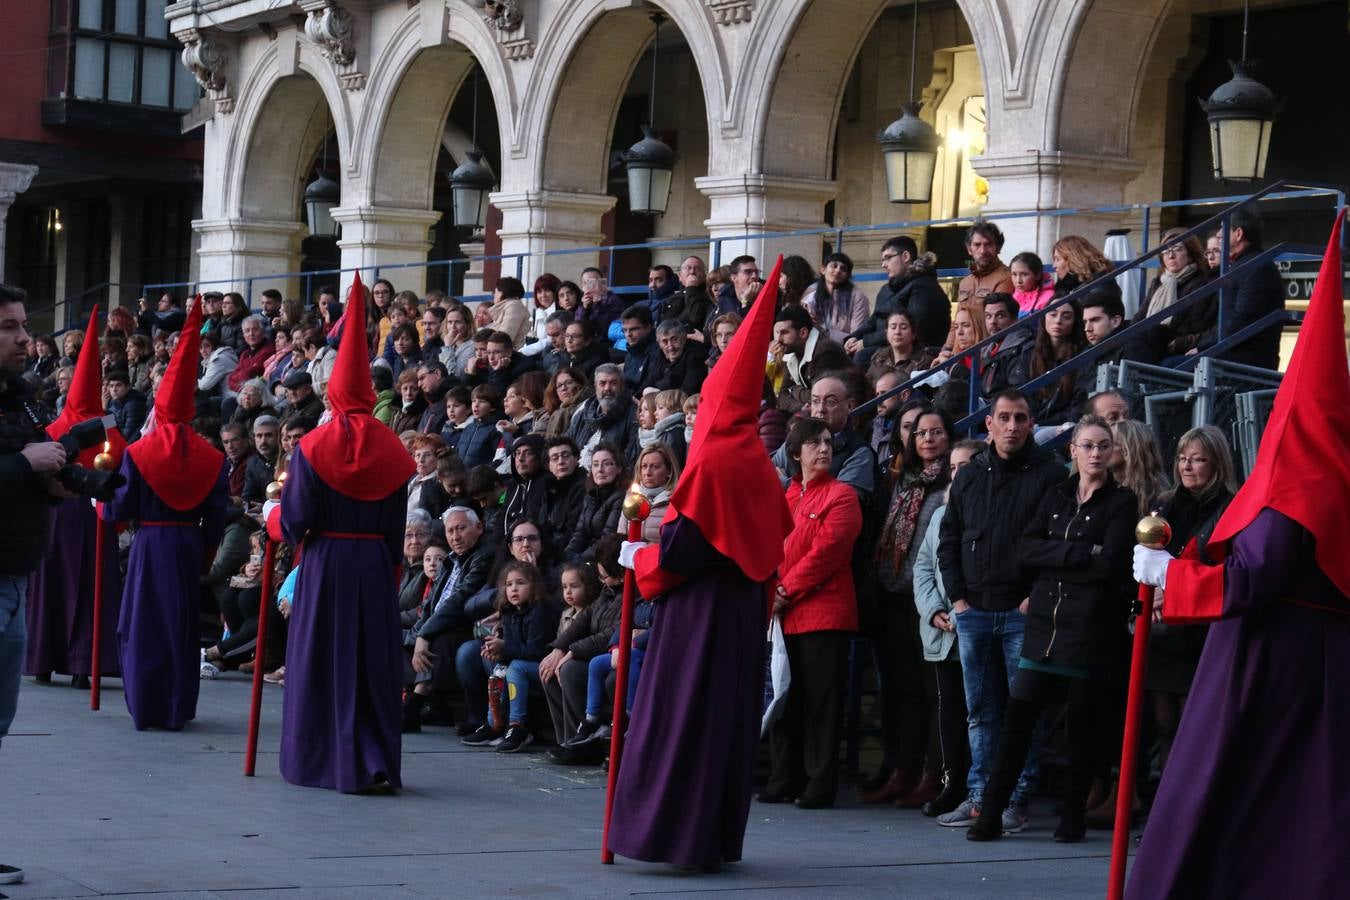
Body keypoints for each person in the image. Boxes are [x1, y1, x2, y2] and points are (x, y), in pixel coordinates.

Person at [1126, 216, 1350, 898]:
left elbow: (1256, 576)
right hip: (1308, 653)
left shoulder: (1299, 477)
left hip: (1275, 656)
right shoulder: (1323, 470)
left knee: (1250, 793)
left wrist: (1174, 575)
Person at [609, 258, 794, 869]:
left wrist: (642, 556)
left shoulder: (714, 461)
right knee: (721, 721)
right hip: (739, 610)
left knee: (682, 715)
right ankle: (710, 836)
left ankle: (670, 834)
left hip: (700, 611)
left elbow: (689, 548)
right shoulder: (757, 464)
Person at [967, 413, 1137, 843]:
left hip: (1089, 630)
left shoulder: (1122, 502)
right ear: (1072, 450)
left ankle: (1072, 816)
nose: (1096, 453)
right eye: (1088, 445)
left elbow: (1112, 563)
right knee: (1016, 722)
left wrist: (1058, 554)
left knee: (1081, 730)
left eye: (1103, 445)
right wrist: (1080, 552)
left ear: (1113, 452)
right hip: (1044, 626)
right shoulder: (1057, 493)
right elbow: (1025, 548)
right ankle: (991, 812)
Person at [277, 274, 415, 792]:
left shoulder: (313, 446)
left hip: (327, 562)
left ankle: (321, 759)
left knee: (321, 659)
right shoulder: (394, 450)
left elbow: (294, 522)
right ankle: (373, 757)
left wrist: (279, 522)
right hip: (373, 564)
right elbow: (396, 525)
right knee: (370, 664)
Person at [935, 388, 1065, 830]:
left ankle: (1016, 798)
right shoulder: (970, 475)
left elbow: (1057, 543)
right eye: (1004, 418)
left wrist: (1034, 598)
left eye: (1021, 418)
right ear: (988, 424)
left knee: (1020, 710)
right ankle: (978, 795)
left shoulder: (1050, 474)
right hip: (973, 611)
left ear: (1032, 424)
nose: (1012, 426)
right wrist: (958, 600)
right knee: (979, 711)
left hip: (1021, 614)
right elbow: (948, 539)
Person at [104, 297, 228, 731]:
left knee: (142, 624)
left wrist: (105, 509)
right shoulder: (212, 456)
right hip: (187, 541)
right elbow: (217, 514)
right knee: (180, 623)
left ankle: (147, 703)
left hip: (150, 542)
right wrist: (207, 552)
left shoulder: (139, 452)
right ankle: (176, 704)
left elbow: (120, 506)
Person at [0, 285, 73, 888]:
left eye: (23, 325)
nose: (25, 337)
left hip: (15, 574)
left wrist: (58, 473)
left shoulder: (16, 399)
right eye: (7, 327)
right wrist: (27, 464)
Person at [760, 416, 863, 809]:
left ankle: (820, 782)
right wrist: (774, 591)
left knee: (822, 701)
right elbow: (771, 550)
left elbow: (829, 551)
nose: (824, 449)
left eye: (828, 443)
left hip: (824, 613)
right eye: (815, 443)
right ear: (795, 452)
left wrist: (784, 589)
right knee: (786, 698)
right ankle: (783, 777)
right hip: (786, 616)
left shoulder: (842, 495)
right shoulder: (788, 498)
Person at [23, 307, 126, 689]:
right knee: (90, 588)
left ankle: (44, 661)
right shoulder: (110, 432)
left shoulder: (51, 427)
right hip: (95, 515)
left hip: (54, 515)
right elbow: (124, 469)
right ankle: (86, 663)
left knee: (50, 587)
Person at [859, 407, 953, 808]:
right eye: (920, 433)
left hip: (929, 604)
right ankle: (903, 770)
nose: (928, 439)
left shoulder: (952, 482)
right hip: (894, 598)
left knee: (933, 693)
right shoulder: (902, 482)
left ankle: (934, 775)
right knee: (902, 692)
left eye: (936, 432)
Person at [1143, 426, 1235, 790]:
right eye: (1182, 458)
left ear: (1216, 463)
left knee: (1191, 724)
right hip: (1163, 624)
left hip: (1200, 627)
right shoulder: (1164, 505)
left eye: (1198, 459)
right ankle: (1161, 807)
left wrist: (1178, 589)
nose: (1187, 466)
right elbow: (1146, 559)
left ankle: (1187, 807)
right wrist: (1154, 595)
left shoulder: (1230, 507)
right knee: (1163, 722)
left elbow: (1222, 566)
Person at [910, 439, 983, 818]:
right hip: (941, 631)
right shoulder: (941, 514)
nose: (959, 473)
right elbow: (923, 567)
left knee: (980, 710)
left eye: (967, 465)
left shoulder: (990, 511)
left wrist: (963, 610)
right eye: (953, 467)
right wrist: (934, 610)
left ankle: (980, 786)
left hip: (977, 627)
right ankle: (951, 783)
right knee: (947, 709)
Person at [460, 560, 559, 752]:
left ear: (534, 586)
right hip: (520, 666)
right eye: (509, 584)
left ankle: (517, 726)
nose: (514, 588)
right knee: (499, 670)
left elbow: (536, 652)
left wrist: (504, 648)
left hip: (543, 668)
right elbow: (511, 651)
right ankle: (494, 724)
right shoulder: (509, 612)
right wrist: (496, 652)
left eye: (521, 583)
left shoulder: (540, 612)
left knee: (515, 668)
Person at [848, 237, 950, 362]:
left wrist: (865, 342)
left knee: (862, 357)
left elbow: (913, 328)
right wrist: (854, 337)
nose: (883, 265)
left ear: (905, 256)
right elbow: (873, 320)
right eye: (882, 260)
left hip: (915, 354)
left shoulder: (925, 286)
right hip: (885, 347)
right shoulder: (886, 289)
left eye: (888, 258)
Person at [1213, 205, 1285, 369]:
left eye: (1223, 229)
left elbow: (1243, 318)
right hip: (1232, 351)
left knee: (1169, 366)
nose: (1218, 235)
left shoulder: (1257, 267)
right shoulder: (1245, 265)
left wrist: (1203, 346)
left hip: (1246, 358)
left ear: (1238, 234)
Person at [1137, 227, 1213, 360]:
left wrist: (1176, 342)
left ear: (1190, 254)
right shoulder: (1158, 282)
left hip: (1178, 345)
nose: (1170, 255)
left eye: (1177, 249)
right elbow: (1140, 317)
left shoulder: (1201, 283)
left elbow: (1195, 324)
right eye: (1165, 251)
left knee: (1155, 332)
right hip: (1153, 341)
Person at [564, 441, 625, 560]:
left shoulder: (622, 496)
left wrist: (580, 560)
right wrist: (566, 556)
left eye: (607, 464)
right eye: (595, 464)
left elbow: (607, 538)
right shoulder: (590, 496)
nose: (600, 470)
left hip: (605, 560)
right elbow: (580, 533)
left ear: (619, 468)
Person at [801, 253, 869, 345]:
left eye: (843, 269)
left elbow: (856, 335)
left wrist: (825, 333)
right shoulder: (811, 296)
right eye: (834, 266)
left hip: (843, 350)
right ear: (823, 269)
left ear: (847, 275)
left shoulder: (858, 297)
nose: (837, 271)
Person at [864, 309, 937, 387]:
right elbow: (867, 386)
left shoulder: (925, 360)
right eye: (893, 327)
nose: (897, 332)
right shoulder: (879, 356)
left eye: (903, 327)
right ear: (886, 333)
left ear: (913, 334)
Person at [956, 221, 1014, 309]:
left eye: (988, 244)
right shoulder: (965, 282)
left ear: (998, 248)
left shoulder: (1007, 278)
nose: (983, 251)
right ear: (969, 249)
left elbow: (997, 319)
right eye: (977, 245)